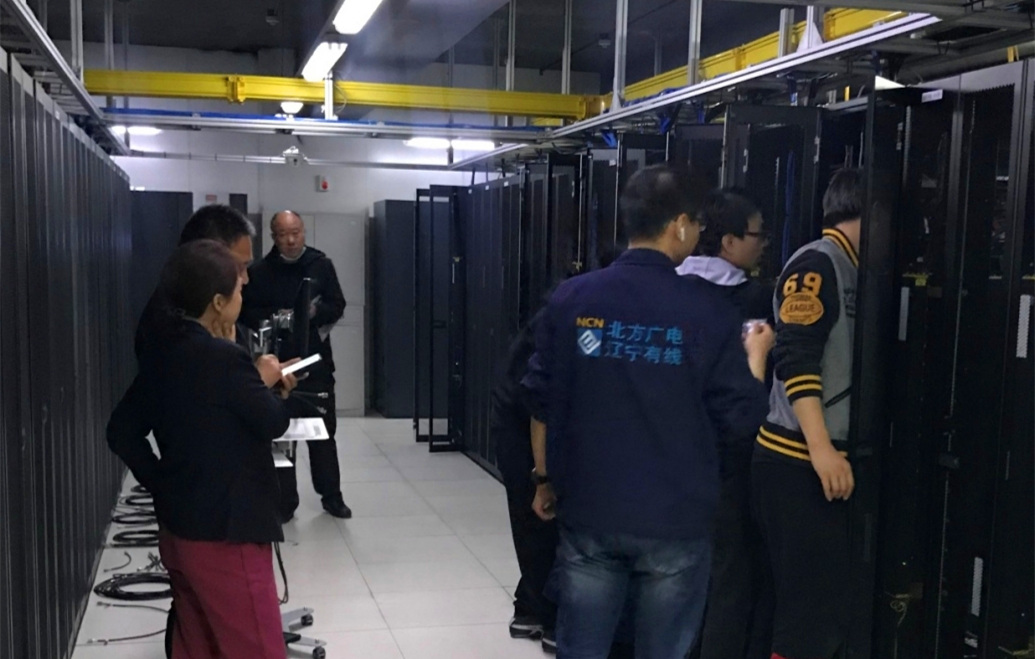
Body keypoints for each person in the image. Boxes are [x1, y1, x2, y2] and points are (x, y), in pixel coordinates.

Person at [522, 164, 774, 659]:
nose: (698, 235)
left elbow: (540, 400)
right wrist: (757, 357)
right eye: (696, 224)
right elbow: (742, 418)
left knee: (582, 647)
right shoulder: (708, 312)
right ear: (679, 225)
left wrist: (544, 480)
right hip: (675, 521)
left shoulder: (573, 298)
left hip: (590, 511)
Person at [109, 240, 294, 659]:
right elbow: (273, 422)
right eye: (239, 289)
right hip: (228, 535)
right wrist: (263, 378)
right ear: (218, 302)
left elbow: (121, 431)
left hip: (179, 530)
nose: (244, 294)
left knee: (197, 646)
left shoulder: (161, 352)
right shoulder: (224, 360)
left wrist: (162, 483)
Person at [752, 169, 862, 659]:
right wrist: (821, 450)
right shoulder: (817, 264)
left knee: (817, 608)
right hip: (797, 461)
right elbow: (795, 357)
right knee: (807, 616)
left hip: (819, 461)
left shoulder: (853, 266)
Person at [677, 190, 774, 659]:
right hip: (728, 458)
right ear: (729, 241)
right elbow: (747, 402)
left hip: (668, 455)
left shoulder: (670, 288)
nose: (764, 244)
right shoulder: (752, 299)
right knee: (730, 573)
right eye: (757, 234)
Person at [240, 210, 351, 520]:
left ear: (303, 232)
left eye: (296, 233)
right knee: (280, 434)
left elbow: (337, 304)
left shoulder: (320, 265)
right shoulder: (260, 271)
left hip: (314, 362)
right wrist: (275, 319)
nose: (290, 240)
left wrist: (312, 314)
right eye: (283, 235)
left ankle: (331, 495)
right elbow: (245, 311)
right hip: (275, 365)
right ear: (273, 237)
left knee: (323, 433)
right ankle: (284, 501)